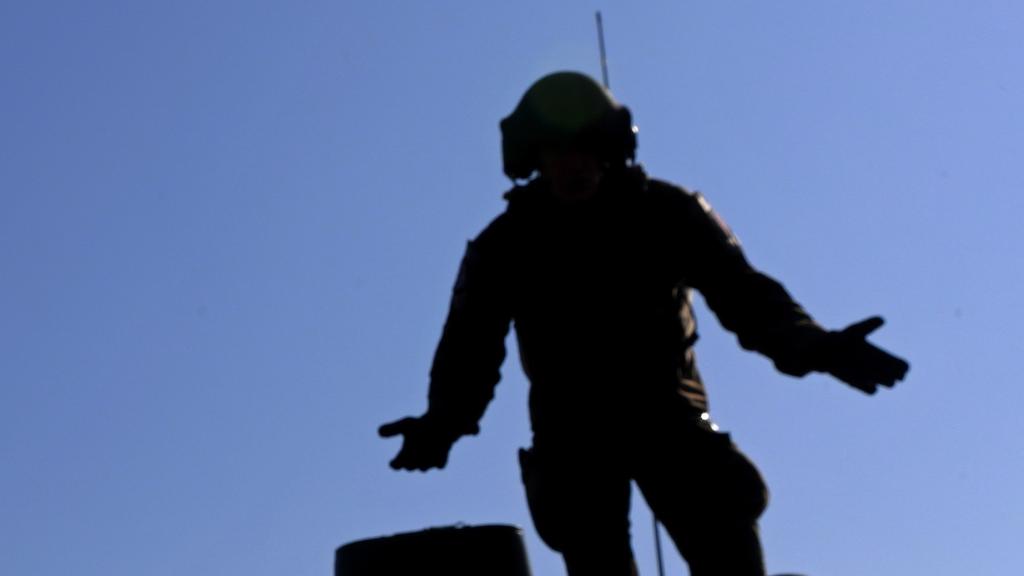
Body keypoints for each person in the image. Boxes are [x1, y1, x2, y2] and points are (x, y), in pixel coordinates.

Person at [379, 71, 909, 576]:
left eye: (585, 146)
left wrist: (814, 346)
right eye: (557, 149)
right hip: (572, 434)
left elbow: (744, 294)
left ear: (609, 148)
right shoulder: (506, 246)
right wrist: (442, 424)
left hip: (668, 416)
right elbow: (468, 348)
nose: (573, 164)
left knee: (724, 532)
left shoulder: (666, 214)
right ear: (534, 155)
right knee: (590, 542)